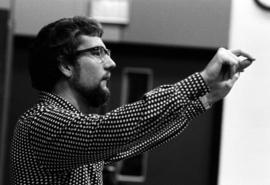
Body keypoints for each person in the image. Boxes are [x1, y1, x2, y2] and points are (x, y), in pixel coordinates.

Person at [10, 16, 255, 185]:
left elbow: (135, 140)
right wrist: (199, 80)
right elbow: (113, 130)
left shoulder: (76, 134)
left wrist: (206, 98)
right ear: (65, 65)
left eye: (107, 52)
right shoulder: (40, 122)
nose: (111, 63)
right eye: (97, 53)